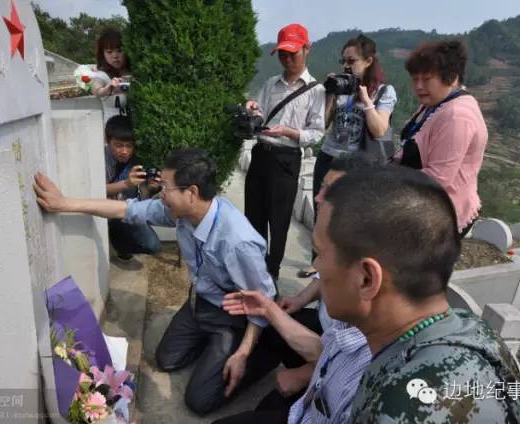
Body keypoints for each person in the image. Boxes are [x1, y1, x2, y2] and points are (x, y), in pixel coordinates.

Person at [33, 148, 277, 416]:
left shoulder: (238, 242)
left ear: (192, 193)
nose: (161, 193)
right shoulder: (181, 212)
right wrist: (66, 204)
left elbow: (264, 299)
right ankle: (214, 349)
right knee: (167, 359)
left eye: (167, 187)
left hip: (232, 315)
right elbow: (126, 210)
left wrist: (242, 352)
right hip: (201, 303)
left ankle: (259, 351)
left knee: (199, 400)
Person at [303, 166, 520, 422]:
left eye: (319, 253)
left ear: (367, 279)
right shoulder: (470, 329)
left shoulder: (402, 408)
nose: (317, 267)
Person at [212, 155, 374, 424]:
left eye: (330, 192)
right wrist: (286, 303)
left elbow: (335, 355)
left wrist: (303, 376)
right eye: (321, 187)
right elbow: (331, 348)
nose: (319, 198)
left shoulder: (368, 326)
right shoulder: (350, 262)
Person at [299, 34, 396, 278]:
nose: (346, 66)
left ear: (369, 61)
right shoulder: (341, 87)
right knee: (321, 210)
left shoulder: (384, 92)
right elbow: (323, 123)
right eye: (343, 61)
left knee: (347, 217)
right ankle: (317, 263)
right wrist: (330, 93)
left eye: (352, 61)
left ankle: (343, 267)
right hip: (329, 156)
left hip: (355, 164)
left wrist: (365, 100)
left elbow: (379, 129)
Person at [244, 23, 326, 281]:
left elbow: (317, 132)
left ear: (307, 49)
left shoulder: (316, 91)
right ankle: (254, 270)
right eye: (283, 54)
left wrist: (289, 132)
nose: (288, 59)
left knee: (278, 223)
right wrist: (253, 110)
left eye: (293, 53)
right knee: (253, 216)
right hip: (261, 154)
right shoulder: (271, 84)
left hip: (286, 160)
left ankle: (272, 274)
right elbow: (260, 111)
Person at [397, 39, 487, 237]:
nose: (419, 86)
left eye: (427, 79)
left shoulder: (458, 115)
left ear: (452, 77)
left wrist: (388, 178)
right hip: (422, 204)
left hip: (442, 215)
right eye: (415, 79)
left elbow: (439, 178)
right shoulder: (434, 104)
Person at [103, 114, 161, 260]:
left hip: (128, 211)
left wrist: (154, 188)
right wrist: (126, 183)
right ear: (107, 140)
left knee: (153, 245)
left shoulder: (138, 159)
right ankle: (116, 239)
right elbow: (98, 190)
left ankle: (121, 245)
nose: (124, 151)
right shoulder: (101, 159)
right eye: (118, 145)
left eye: (129, 146)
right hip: (107, 213)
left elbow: (143, 195)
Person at [92, 28, 132, 123]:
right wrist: (109, 88)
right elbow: (97, 90)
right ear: (103, 54)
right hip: (115, 132)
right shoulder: (102, 75)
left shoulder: (135, 70)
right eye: (109, 52)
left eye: (119, 50)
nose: (115, 56)